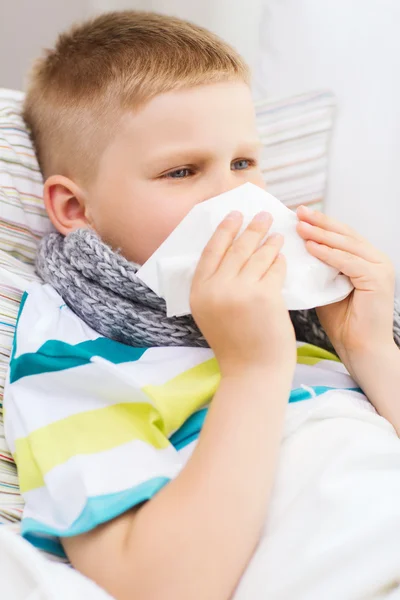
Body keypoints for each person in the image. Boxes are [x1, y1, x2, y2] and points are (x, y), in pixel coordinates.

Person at [5, 10, 400, 600]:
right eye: (181, 170)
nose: (237, 196)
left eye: (244, 162)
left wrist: (366, 346)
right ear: (75, 210)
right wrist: (253, 369)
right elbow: (161, 586)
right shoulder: (70, 358)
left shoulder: (307, 317)